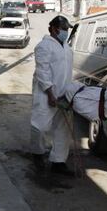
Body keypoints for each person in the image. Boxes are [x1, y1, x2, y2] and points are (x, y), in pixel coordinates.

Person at [30, 15, 74, 176]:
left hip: (64, 93)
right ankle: (37, 154)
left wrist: (69, 93)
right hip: (45, 94)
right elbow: (42, 71)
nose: (66, 32)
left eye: (67, 29)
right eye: (64, 29)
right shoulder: (44, 46)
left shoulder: (67, 47)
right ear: (55, 29)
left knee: (63, 129)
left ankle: (58, 161)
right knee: (39, 126)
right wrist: (50, 93)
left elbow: (68, 72)